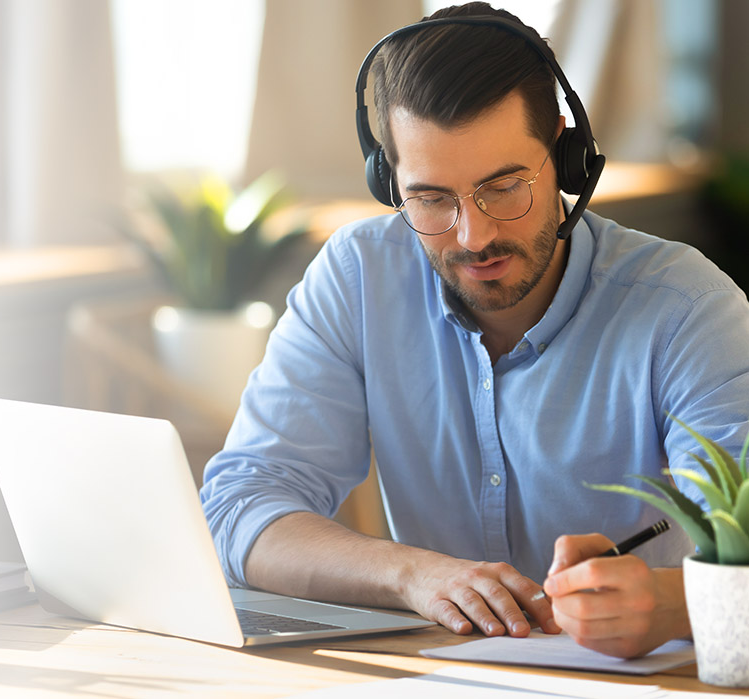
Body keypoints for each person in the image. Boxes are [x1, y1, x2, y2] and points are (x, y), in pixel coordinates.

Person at [199, 2, 749, 659]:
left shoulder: (687, 307)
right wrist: (413, 573)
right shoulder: (357, 278)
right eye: (431, 198)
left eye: (504, 185)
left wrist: (668, 602)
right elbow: (240, 507)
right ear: (388, 181)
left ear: (566, 155)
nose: (474, 234)